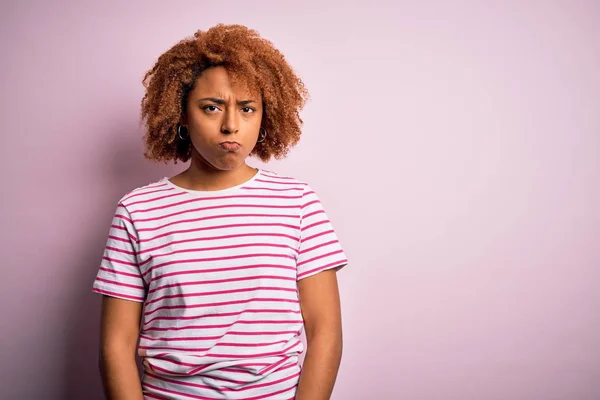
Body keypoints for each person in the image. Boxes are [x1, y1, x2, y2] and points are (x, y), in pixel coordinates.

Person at [92, 23, 348, 400]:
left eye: (247, 109)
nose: (231, 125)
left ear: (265, 115)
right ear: (180, 114)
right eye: (211, 107)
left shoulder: (297, 203)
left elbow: (325, 330)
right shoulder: (138, 211)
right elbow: (115, 344)